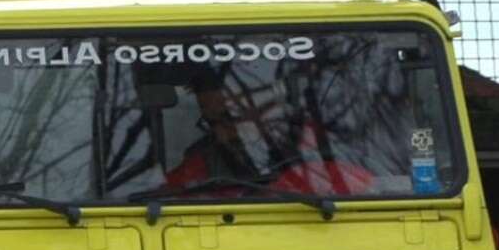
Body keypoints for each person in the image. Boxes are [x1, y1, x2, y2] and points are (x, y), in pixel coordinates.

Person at [161, 73, 375, 196]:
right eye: (212, 122)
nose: (222, 133)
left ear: (268, 110)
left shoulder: (328, 155)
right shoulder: (196, 168)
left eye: (230, 118)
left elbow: (367, 197)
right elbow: (160, 200)